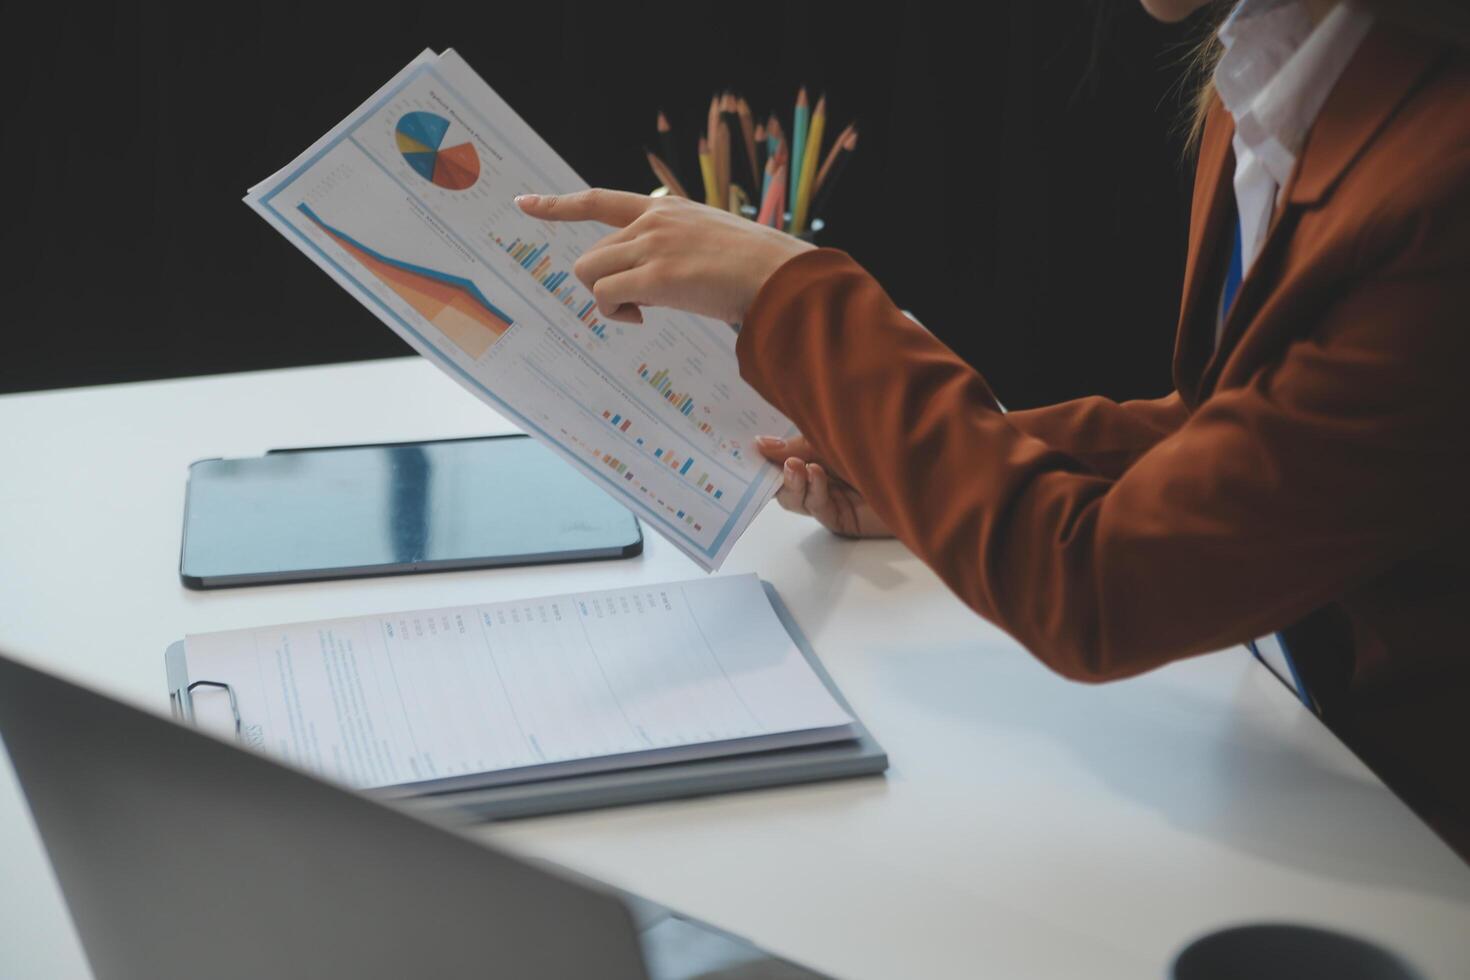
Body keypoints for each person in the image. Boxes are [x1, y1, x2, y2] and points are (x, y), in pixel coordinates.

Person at [516, 0, 1470, 858]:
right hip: (1289, 765)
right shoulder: (1271, 74)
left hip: (1400, 832)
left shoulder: (1433, 181)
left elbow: (1100, 590)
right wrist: (937, 470)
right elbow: (1240, 434)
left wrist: (789, 292)